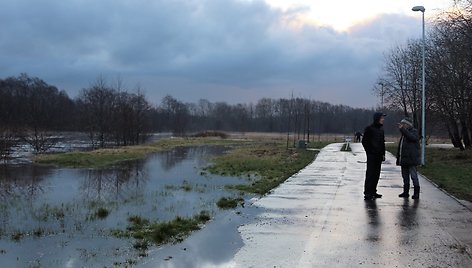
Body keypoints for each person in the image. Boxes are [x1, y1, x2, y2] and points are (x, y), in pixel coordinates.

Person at [362, 112, 386, 200]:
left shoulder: (381, 130)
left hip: (379, 155)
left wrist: (383, 154)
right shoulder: (369, 129)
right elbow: (364, 142)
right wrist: (369, 152)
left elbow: (382, 143)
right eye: (382, 118)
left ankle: (373, 191)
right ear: (377, 119)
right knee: (370, 174)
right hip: (372, 155)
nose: (383, 120)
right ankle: (367, 193)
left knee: (377, 174)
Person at [396, 117, 421, 199]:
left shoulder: (414, 132)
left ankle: (416, 193)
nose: (402, 125)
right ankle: (405, 192)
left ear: (407, 124)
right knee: (405, 176)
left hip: (411, 159)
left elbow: (412, 138)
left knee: (414, 176)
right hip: (404, 159)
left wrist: (403, 130)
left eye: (403, 124)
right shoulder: (404, 134)